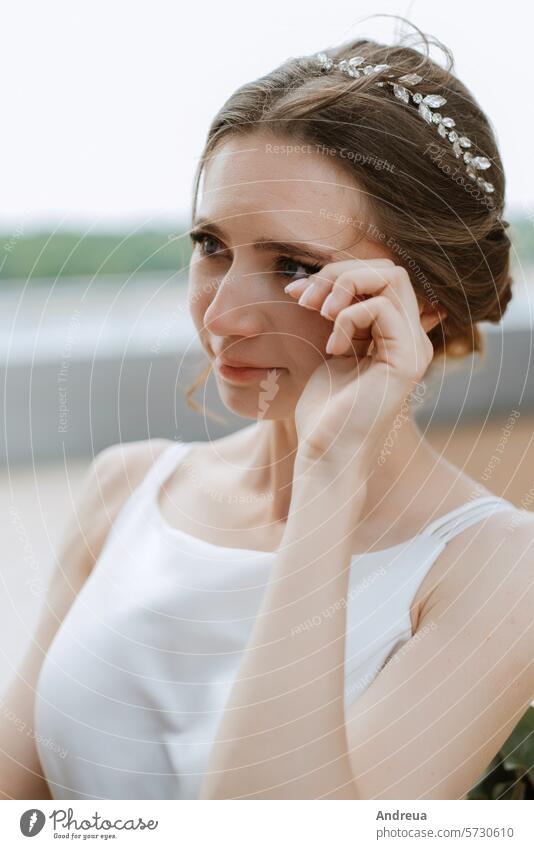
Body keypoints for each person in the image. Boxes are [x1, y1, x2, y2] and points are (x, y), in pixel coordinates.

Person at [3, 20, 533, 801]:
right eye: (211, 245)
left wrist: (329, 471)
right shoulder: (124, 491)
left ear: (417, 299)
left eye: (293, 264)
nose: (220, 316)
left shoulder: (497, 568)